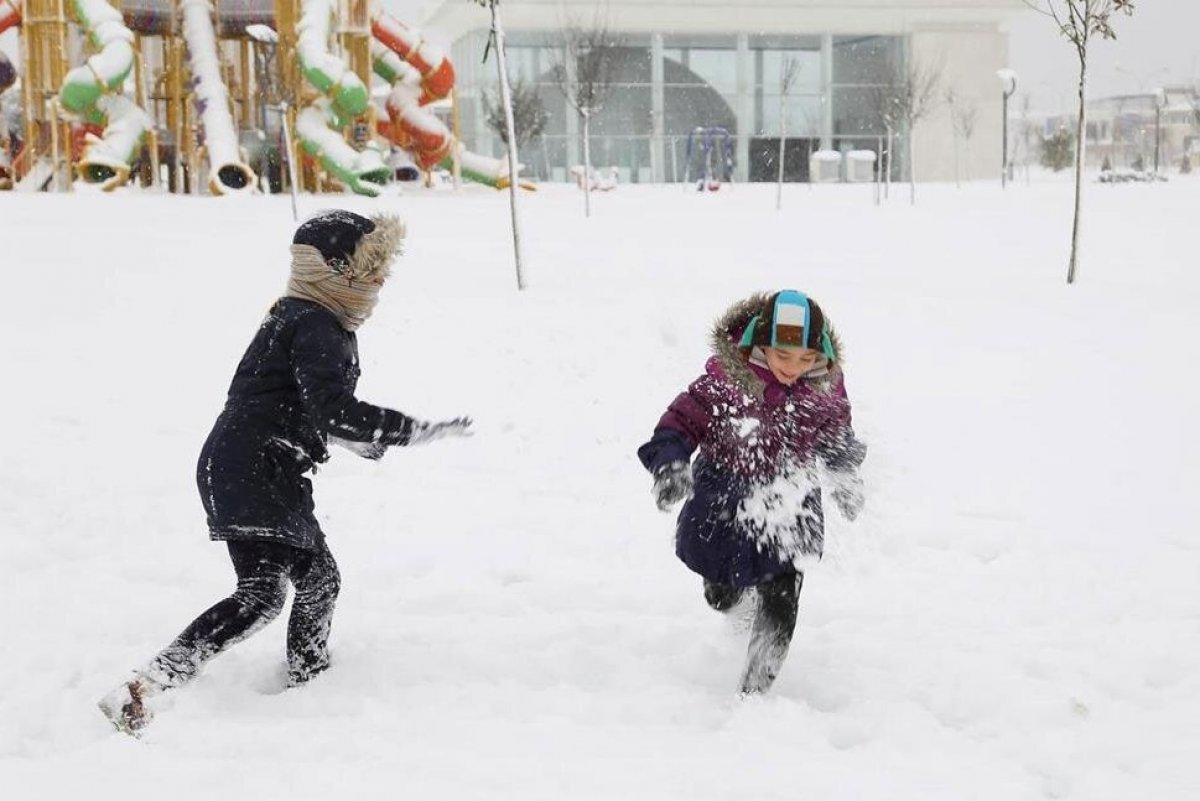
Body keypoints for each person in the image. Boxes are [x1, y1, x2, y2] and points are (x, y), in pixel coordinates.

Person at [99, 210, 472, 734]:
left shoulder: (306, 315)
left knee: (317, 580)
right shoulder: (315, 321)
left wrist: (347, 437)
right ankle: (151, 685)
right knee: (264, 593)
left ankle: (309, 679)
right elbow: (332, 408)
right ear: (339, 270)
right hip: (255, 468)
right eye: (373, 268)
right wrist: (406, 429)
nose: (382, 281)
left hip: (253, 465)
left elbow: (297, 404)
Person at [637, 290, 866, 695]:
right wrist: (670, 463)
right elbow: (678, 422)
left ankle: (756, 692)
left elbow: (836, 436)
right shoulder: (725, 382)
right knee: (720, 593)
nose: (794, 368)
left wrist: (845, 474)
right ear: (759, 345)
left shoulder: (826, 389)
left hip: (789, 498)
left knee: (783, 591)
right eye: (783, 356)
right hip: (724, 496)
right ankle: (734, 600)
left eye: (807, 358)